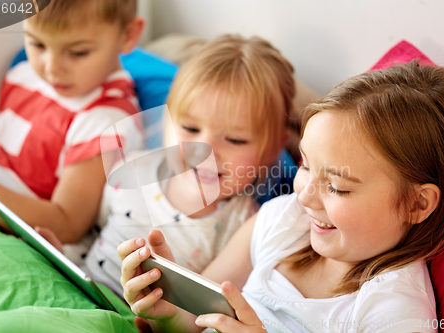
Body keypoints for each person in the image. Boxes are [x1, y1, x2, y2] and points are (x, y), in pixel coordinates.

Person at [118, 61, 444, 333]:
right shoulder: (280, 221)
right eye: (305, 165)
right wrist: (165, 308)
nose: (304, 195)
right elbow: (197, 321)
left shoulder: (393, 311)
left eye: (337, 186)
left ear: (418, 204)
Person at [83, 35, 295, 294]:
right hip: (79, 288)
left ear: (272, 151)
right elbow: (92, 235)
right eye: (190, 128)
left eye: (235, 139)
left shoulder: (245, 229)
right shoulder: (132, 168)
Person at [0, 0, 144, 243]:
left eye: (78, 52)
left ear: (128, 35)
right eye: (37, 43)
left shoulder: (106, 120)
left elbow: (66, 224)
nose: (52, 69)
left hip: (13, 240)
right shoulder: (24, 75)